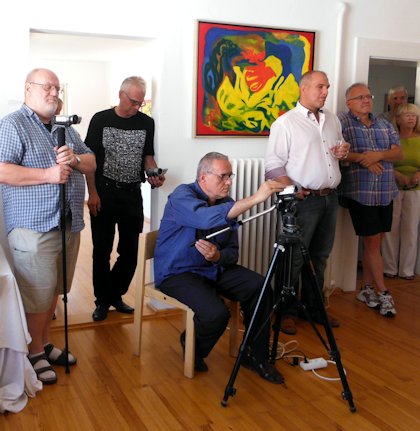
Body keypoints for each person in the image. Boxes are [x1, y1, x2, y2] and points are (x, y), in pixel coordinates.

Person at [154, 152, 287, 383]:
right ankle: (192, 345)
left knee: (261, 287)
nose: (229, 182)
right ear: (203, 177)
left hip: (212, 268)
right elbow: (204, 219)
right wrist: (256, 198)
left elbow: (232, 253)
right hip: (178, 272)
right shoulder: (181, 196)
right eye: (223, 176)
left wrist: (217, 257)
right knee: (216, 314)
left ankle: (254, 355)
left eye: (230, 176)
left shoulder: (227, 203)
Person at [0, 68, 96, 384]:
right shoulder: (13, 124)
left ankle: (43, 343)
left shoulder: (64, 127)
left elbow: (92, 162)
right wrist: (48, 175)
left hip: (68, 223)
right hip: (34, 226)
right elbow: (2, 170)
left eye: (57, 87)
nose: (54, 92)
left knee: (55, 289)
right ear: (28, 88)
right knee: (37, 293)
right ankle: (33, 352)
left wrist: (74, 160)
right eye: (47, 87)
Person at [264, 70, 349, 335]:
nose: (325, 92)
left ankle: (314, 308)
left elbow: (336, 152)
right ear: (303, 88)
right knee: (292, 259)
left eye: (327, 87)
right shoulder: (285, 123)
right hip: (303, 201)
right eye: (320, 87)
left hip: (329, 198)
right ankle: (285, 311)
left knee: (320, 258)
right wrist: (292, 188)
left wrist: (342, 151)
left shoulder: (333, 120)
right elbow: (272, 165)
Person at [85, 76, 165, 322]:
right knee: (102, 250)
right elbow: (90, 161)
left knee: (130, 251)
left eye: (140, 103)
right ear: (121, 95)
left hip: (132, 194)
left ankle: (113, 295)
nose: (137, 107)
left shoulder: (146, 123)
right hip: (104, 192)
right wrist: (93, 194)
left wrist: (153, 174)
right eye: (133, 101)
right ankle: (102, 302)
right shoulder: (100, 119)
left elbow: (148, 157)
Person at [338, 82, 403, 317]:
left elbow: (399, 153)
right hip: (362, 193)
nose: (366, 100)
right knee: (374, 243)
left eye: (368, 96)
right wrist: (364, 158)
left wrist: (379, 155)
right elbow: (338, 152)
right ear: (349, 103)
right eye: (360, 97)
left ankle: (365, 289)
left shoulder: (384, 123)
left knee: (374, 243)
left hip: (386, 191)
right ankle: (384, 292)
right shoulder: (342, 123)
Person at [382, 103, 420, 280]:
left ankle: (407, 270)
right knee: (391, 228)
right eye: (407, 115)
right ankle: (389, 268)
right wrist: (397, 175)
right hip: (393, 186)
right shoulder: (391, 138)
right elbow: (385, 161)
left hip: (416, 189)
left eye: (414, 115)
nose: (411, 118)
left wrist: (417, 175)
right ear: (398, 119)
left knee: (411, 229)